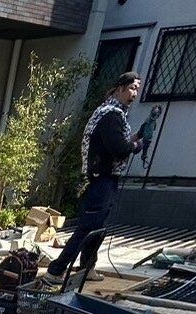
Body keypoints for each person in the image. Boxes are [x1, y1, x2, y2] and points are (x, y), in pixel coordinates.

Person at [45, 71, 144, 280]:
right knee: (87, 227)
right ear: (120, 88)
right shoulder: (111, 114)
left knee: (96, 227)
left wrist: (136, 137)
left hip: (104, 177)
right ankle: (56, 270)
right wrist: (136, 145)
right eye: (133, 88)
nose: (135, 93)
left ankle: (86, 269)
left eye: (138, 89)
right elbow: (118, 147)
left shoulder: (112, 113)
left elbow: (116, 141)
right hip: (102, 177)